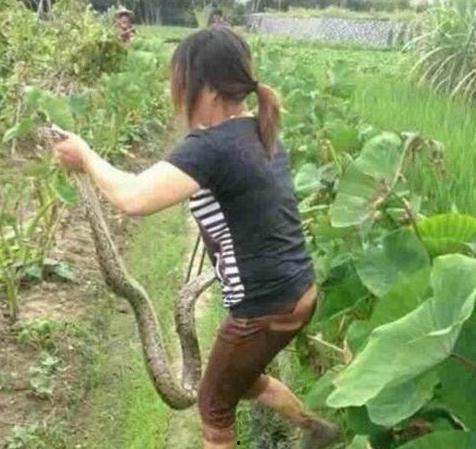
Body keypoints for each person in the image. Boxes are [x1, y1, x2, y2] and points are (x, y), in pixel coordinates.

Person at [52, 27, 340, 449]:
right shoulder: (258, 130)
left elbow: (133, 198)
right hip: (299, 293)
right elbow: (151, 185)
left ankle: (316, 431)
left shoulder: (210, 146)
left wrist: (85, 157)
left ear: (204, 87)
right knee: (240, 380)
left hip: (262, 309)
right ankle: (319, 431)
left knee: (212, 407)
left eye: (180, 84)